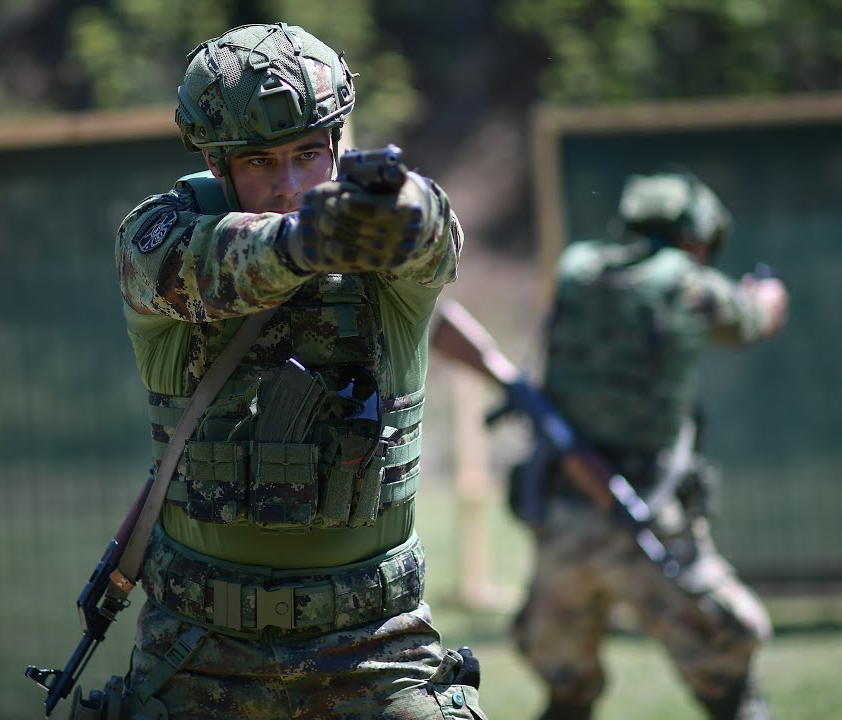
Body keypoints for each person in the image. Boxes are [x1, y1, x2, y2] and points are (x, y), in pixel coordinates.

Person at [95, 21, 485, 720]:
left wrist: (401, 209)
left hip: (377, 650)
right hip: (197, 655)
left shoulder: (382, 251)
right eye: (260, 163)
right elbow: (208, 267)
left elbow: (433, 235)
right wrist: (305, 242)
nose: (291, 185)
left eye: (309, 154)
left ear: (338, 148)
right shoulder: (160, 241)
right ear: (219, 165)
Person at [506, 170, 789, 720]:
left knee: (566, 686)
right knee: (726, 668)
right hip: (649, 511)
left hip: (565, 512)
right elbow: (753, 321)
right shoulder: (689, 282)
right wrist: (768, 294)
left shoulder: (580, 268)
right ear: (695, 236)